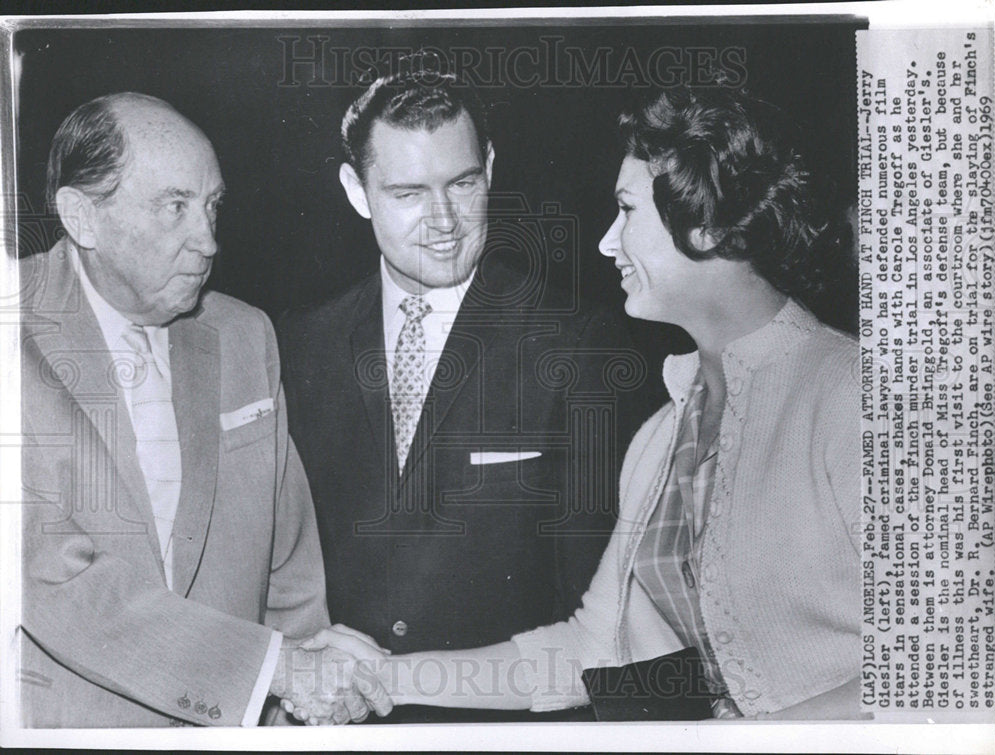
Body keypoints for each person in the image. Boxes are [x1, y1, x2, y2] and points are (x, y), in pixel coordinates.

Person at [335, 86, 862, 720]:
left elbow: (948, 671)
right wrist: (384, 677)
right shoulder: (663, 436)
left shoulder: (854, 396)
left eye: (626, 210)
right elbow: (592, 651)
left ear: (708, 221)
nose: (608, 242)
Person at [277, 59, 655, 723]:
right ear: (355, 190)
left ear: (490, 165)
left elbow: (604, 624)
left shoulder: (578, 343)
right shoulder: (298, 346)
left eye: (463, 182)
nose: (445, 219)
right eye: (408, 193)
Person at [19, 92, 390, 727]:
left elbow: (289, 564)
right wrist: (272, 670)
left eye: (213, 206)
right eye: (175, 208)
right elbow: (46, 576)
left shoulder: (244, 336)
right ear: (82, 216)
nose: (208, 240)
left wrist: (298, 709)